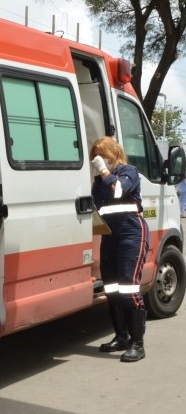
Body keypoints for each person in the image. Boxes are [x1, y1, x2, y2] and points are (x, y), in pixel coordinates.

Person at [90, 136, 148, 363]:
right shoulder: (100, 180)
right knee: (112, 287)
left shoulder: (128, 171)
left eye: (102, 154)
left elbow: (117, 191)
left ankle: (137, 343)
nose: (99, 159)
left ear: (114, 154)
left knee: (128, 286)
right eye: (96, 155)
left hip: (131, 233)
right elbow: (98, 205)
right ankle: (121, 336)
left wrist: (104, 172)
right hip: (110, 235)